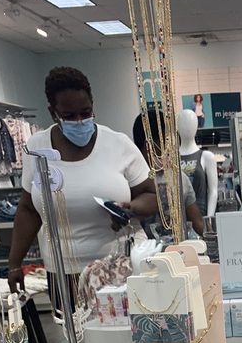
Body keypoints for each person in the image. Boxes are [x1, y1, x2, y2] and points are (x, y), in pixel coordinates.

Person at [8, 66, 158, 298]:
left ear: (92, 105)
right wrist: (14, 264)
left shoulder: (118, 144)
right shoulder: (37, 149)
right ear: (53, 113)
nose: (79, 121)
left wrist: (131, 208)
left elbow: (152, 195)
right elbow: (28, 210)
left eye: (85, 112)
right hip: (62, 271)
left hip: (118, 267)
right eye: (69, 116)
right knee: (69, 322)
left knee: (124, 321)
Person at [131, 110, 204, 236]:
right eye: (166, 143)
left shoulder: (179, 177)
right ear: (149, 146)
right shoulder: (131, 181)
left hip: (179, 247)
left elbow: (198, 224)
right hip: (143, 248)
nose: (170, 148)